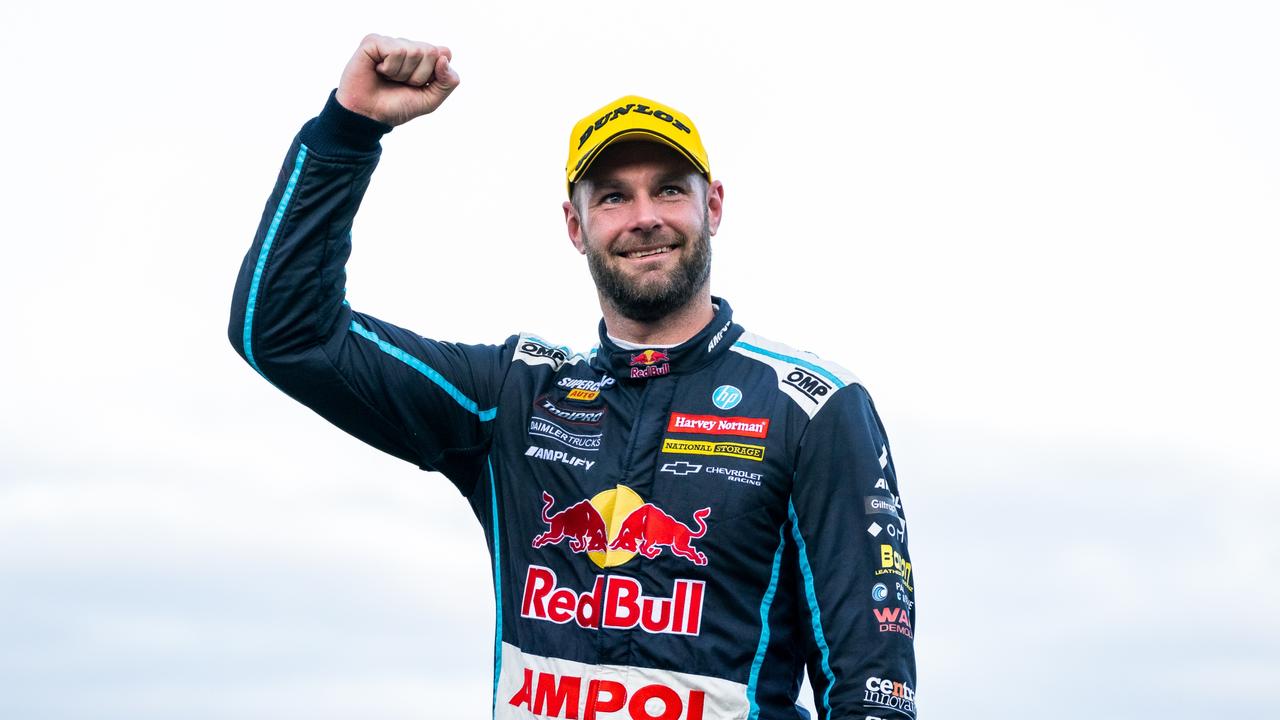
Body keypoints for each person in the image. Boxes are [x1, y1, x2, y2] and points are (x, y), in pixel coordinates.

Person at [229, 33, 916, 720]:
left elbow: (871, 694)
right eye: (613, 197)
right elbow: (286, 334)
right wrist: (350, 127)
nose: (644, 217)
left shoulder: (814, 407)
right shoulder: (515, 395)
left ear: (712, 207)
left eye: (669, 190)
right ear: (575, 225)